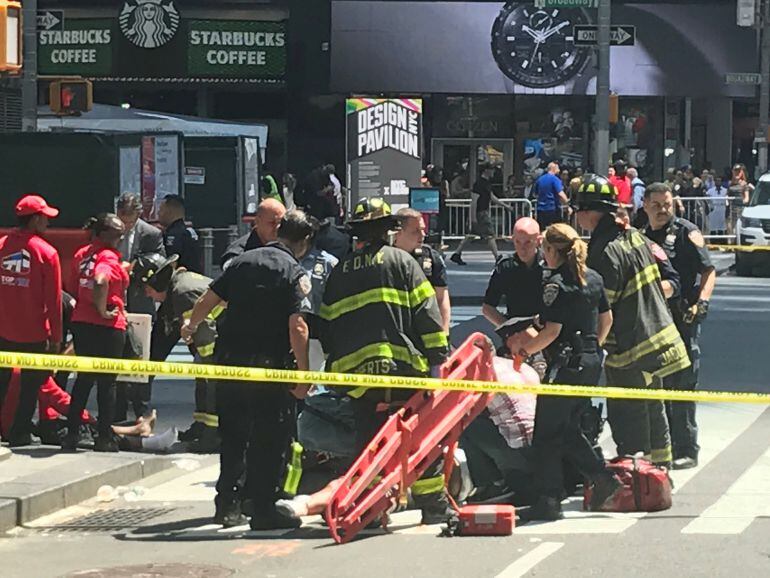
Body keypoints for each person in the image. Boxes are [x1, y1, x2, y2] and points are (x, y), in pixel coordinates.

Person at [317, 197, 451, 524]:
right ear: (388, 231)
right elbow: (427, 316)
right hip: (403, 373)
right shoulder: (403, 263)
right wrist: (438, 361)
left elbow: (326, 327)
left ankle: (371, 507)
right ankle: (433, 505)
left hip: (361, 382)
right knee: (422, 438)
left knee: (369, 445)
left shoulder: (339, 272)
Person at [182, 210, 315, 530]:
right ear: (305, 242)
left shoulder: (243, 261)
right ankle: (261, 506)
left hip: (230, 365)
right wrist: (303, 373)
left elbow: (209, 297)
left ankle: (227, 505)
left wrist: (191, 325)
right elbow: (298, 327)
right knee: (268, 438)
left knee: (233, 437)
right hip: (270, 371)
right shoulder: (293, 271)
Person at [573, 175, 690, 467]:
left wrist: (587, 342)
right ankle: (659, 469)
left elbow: (602, 306)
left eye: (578, 211)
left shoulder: (603, 251)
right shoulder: (636, 237)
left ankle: (636, 470)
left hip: (630, 348)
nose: (577, 217)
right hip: (658, 338)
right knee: (653, 405)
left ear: (589, 212)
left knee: (628, 410)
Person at [515, 223, 623, 520]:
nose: (543, 255)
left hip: (566, 366)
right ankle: (602, 479)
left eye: (545, 249)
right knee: (568, 428)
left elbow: (551, 332)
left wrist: (524, 352)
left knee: (547, 433)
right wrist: (593, 349)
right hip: (588, 362)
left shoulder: (557, 284)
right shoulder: (594, 278)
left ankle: (549, 500)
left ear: (552, 250)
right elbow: (607, 319)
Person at [642, 182, 716, 470]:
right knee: (655, 382)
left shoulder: (685, 232)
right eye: (657, 205)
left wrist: (703, 302)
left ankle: (686, 447)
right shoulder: (641, 236)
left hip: (682, 316)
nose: (663, 210)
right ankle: (660, 445)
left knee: (683, 382)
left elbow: (708, 270)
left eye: (668, 204)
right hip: (652, 319)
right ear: (645, 204)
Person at [132, 252, 221, 453]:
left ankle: (213, 436)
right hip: (218, 342)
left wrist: (207, 363)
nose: (147, 294)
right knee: (203, 385)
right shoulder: (181, 286)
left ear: (158, 281)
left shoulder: (183, 291)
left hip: (218, 345)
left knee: (212, 387)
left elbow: (205, 334)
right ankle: (201, 426)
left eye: (147, 288)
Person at [63, 214, 130, 452]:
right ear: (102, 234)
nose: (121, 238)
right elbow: (101, 281)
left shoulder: (83, 254)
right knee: (107, 383)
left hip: (81, 322)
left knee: (83, 380)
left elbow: (73, 286)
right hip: (107, 327)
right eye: (117, 233)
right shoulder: (108, 256)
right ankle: (104, 437)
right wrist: (102, 310)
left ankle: (71, 434)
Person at [0, 195, 62, 447]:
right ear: (35, 219)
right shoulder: (47, 253)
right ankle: (19, 433)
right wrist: (56, 338)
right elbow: (54, 301)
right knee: (29, 390)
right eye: (45, 217)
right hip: (34, 335)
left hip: (2, 331)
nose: (47, 222)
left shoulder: (2, 245)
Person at [115, 193, 165, 422]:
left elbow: (159, 264)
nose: (125, 224)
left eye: (129, 218)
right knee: (116, 358)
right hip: (115, 301)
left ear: (138, 214)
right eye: (122, 217)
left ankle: (141, 408)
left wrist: (133, 269)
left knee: (140, 357)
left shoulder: (151, 234)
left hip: (139, 300)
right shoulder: (108, 228)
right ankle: (117, 408)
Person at [395, 208, 451, 333]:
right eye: (416, 231)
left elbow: (441, 298)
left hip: (426, 326)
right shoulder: (386, 257)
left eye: (423, 230)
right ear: (398, 233)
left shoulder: (430, 256)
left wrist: (445, 332)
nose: (423, 235)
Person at [482, 217, 544, 329]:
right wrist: (509, 328)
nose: (522, 248)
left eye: (528, 242)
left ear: (539, 240)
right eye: (518, 242)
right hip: (516, 333)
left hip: (546, 332)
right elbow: (488, 307)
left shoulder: (549, 264)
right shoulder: (506, 267)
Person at [450, 164, 513, 265]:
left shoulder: (487, 183)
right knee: (490, 235)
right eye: (491, 169)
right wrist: (473, 217)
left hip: (482, 212)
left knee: (471, 235)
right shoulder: (478, 184)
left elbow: (492, 197)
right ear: (486, 170)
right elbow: (474, 201)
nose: (493, 172)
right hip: (481, 213)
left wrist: (505, 206)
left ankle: (457, 254)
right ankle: (497, 257)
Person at [219, 198, 286, 269]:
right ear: (257, 221)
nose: (277, 227)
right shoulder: (240, 250)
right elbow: (229, 269)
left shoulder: (290, 244)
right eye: (272, 222)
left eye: (281, 222)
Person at [158, 195, 201, 273]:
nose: (158, 213)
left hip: (181, 280)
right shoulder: (189, 231)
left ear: (169, 212)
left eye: (161, 210)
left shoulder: (173, 234)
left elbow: (172, 261)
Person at [534, 162, 569, 231]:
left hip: (540, 209)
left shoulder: (540, 179)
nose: (559, 171)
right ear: (554, 169)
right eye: (558, 168)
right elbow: (560, 193)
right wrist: (567, 203)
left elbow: (536, 194)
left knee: (542, 230)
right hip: (552, 209)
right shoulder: (555, 179)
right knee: (556, 230)